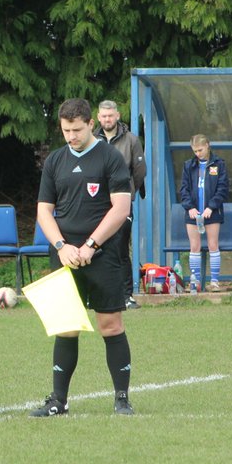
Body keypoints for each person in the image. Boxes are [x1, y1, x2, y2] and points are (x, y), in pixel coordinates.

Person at [30, 98, 136, 417]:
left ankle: (121, 398)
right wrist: (62, 245)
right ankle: (58, 401)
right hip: (65, 255)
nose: (71, 136)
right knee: (66, 326)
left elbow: (121, 208)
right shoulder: (55, 160)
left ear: (91, 124)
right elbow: (44, 211)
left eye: (77, 129)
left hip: (103, 254)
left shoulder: (110, 157)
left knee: (110, 323)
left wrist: (91, 244)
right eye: (66, 130)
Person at [94, 100, 146, 310]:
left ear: (117, 115)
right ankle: (97, 295)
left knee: (121, 248)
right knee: (96, 247)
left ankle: (126, 295)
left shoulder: (131, 140)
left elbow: (140, 170)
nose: (107, 119)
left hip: (122, 204)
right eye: (104, 116)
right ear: (98, 117)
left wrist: (130, 191)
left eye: (111, 115)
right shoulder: (93, 141)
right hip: (97, 204)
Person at [178, 134, 229, 292]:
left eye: (200, 150)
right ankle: (195, 281)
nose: (197, 154)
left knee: (213, 245)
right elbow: (184, 189)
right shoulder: (189, 165)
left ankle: (214, 281)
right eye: (194, 151)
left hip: (212, 213)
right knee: (194, 246)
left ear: (208, 145)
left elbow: (222, 189)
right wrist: (190, 207)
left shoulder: (219, 164)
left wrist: (211, 206)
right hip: (193, 213)